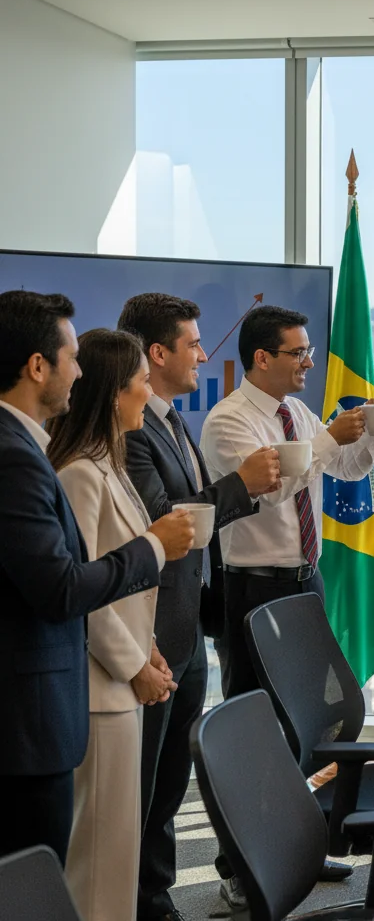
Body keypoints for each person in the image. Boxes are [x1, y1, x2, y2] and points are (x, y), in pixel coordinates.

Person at [0, 292, 193, 866]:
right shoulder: (20, 457)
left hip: (67, 696)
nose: (77, 370)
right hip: (43, 709)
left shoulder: (33, 451)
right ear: (39, 366)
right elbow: (63, 587)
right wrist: (154, 547)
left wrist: (146, 647)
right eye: (70, 356)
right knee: (67, 871)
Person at [200, 303, 374, 908]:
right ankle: (235, 863)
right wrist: (327, 439)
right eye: (298, 353)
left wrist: (369, 435)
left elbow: (341, 470)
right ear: (262, 358)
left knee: (304, 720)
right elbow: (270, 490)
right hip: (252, 585)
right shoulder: (230, 422)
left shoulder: (296, 412)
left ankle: (296, 842)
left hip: (306, 577)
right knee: (253, 727)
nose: (309, 361)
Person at [118, 294, 281, 921]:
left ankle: (156, 898)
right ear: (156, 353)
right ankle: (140, 903)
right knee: (143, 785)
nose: (202, 354)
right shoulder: (132, 433)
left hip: (187, 627)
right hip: (154, 636)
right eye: (191, 343)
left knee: (166, 787)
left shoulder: (170, 418)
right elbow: (167, 524)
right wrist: (242, 484)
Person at [47, 329, 194, 921]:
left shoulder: (109, 465)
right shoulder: (80, 473)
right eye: (138, 383)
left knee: (117, 852)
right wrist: (136, 665)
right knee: (98, 865)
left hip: (122, 682)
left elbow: (128, 582)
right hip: (101, 689)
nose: (146, 393)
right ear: (116, 394)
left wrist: (150, 650)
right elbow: (84, 591)